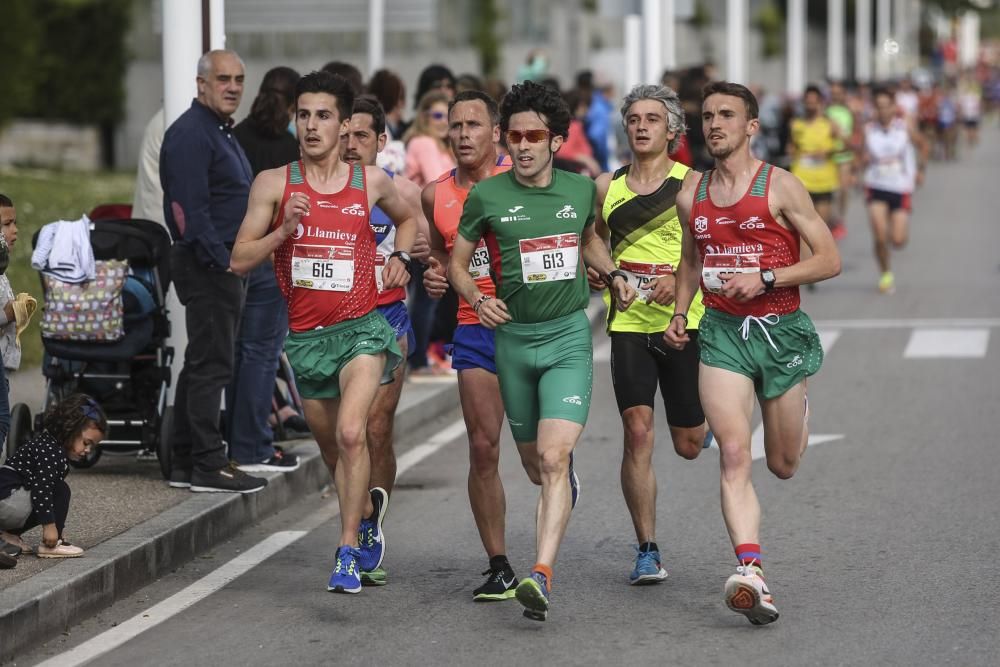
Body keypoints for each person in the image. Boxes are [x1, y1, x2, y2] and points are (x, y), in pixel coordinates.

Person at [449, 81, 635, 621]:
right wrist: (476, 299)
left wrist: (612, 270)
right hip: (511, 342)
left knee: (553, 459)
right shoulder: (487, 196)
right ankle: (557, 480)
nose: (522, 145)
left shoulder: (580, 191)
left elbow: (588, 240)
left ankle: (541, 574)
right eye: (514, 136)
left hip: (566, 337)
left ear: (556, 140)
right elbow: (459, 264)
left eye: (534, 136)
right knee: (534, 464)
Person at [230, 70, 417, 595]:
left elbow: (408, 219)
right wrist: (283, 231)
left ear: (344, 125)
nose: (312, 126)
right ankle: (361, 517)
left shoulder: (370, 183)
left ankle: (345, 552)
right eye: (304, 115)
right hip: (308, 340)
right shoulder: (273, 183)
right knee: (336, 455)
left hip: (362, 330)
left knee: (354, 434)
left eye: (324, 116)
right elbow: (238, 259)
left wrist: (400, 257)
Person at [665, 81, 841, 626]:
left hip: (781, 330)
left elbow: (829, 258)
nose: (714, 124)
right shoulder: (689, 194)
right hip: (720, 332)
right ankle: (752, 571)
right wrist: (679, 313)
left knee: (783, 463)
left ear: (751, 127)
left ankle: (796, 407)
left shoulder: (781, 187)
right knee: (735, 453)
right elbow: (691, 263)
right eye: (708, 116)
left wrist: (766, 275)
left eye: (726, 115)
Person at [587, 84, 708, 586]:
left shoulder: (692, 184)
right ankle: (647, 549)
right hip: (629, 324)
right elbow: (593, 237)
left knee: (689, 444)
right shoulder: (605, 185)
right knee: (637, 432)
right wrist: (609, 272)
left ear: (672, 130)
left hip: (685, 320)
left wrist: (675, 280)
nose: (641, 126)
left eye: (652, 119)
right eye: (633, 118)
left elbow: (707, 250)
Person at [421, 90, 518, 600]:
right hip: (473, 326)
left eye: (473, 125)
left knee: (537, 455)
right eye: (455, 126)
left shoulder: (520, 180)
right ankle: (499, 563)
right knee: (483, 447)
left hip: (528, 327)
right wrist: (438, 275)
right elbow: (439, 253)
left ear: (495, 132)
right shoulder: (434, 194)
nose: (462, 135)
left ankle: (558, 468)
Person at [159, 49, 266, 494]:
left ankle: (185, 459)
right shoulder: (191, 133)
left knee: (203, 361)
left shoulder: (219, 131)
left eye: (240, 78)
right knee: (212, 364)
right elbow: (186, 211)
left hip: (223, 260)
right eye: (223, 78)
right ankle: (207, 463)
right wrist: (223, 262)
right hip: (209, 263)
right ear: (202, 83)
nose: (233, 87)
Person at [335, 93, 431, 585]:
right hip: (330, 330)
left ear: (380, 140)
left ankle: (365, 526)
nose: (350, 145)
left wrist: (415, 265)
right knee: (340, 440)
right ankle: (358, 509)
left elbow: (433, 253)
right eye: (344, 134)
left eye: (361, 136)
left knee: (374, 427)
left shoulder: (403, 195)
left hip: (387, 323)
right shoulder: (323, 192)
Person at [229, 65, 303, 473]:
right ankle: (254, 444)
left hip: (237, 254)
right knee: (262, 354)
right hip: (273, 257)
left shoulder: (237, 136)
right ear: (294, 105)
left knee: (241, 353)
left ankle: (238, 439)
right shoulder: (290, 152)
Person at [0, 394, 108, 563]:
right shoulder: (52, 453)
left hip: (7, 501)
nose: (88, 450)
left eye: (92, 446)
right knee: (60, 489)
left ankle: (8, 535)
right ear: (70, 430)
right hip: (7, 502)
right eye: (86, 443)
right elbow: (42, 489)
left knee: (52, 490)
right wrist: (50, 528)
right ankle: (52, 545)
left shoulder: (47, 444)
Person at [858, 87, 927, 295]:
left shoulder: (904, 127)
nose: (882, 111)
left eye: (886, 106)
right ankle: (885, 274)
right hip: (876, 185)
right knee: (879, 237)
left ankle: (890, 239)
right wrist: (859, 163)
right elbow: (860, 154)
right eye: (878, 107)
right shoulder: (868, 129)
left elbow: (923, 145)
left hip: (900, 186)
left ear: (893, 108)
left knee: (897, 240)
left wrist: (920, 170)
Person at [788, 85, 840, 237]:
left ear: (820, 102)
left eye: (814, 102)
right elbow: (791, 146)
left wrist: (828, 151)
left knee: (822, 229)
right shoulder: (796, 124)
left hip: (824, 180)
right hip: (802, 179)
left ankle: (825, 257)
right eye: (807, 102)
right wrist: (791, 150)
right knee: (803, 229)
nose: (810, 106)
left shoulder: (830, 124)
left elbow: (845, 147)